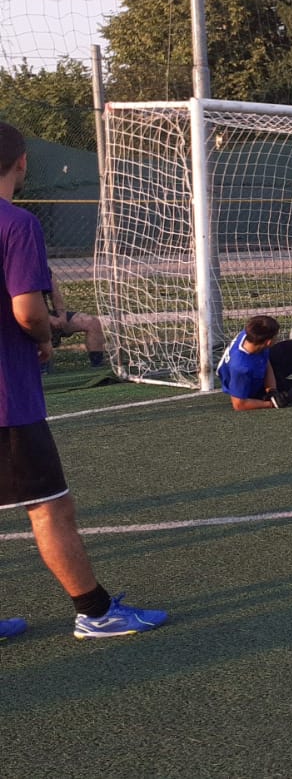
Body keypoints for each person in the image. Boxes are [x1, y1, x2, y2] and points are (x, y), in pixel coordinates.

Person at [0, 121, 167, 640]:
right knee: (51, 507)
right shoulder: (16, 223)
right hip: (6, 399)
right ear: (22, 162)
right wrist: (47, 333)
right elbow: (28, 312)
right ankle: (96, 613)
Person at [46, 268, 107, 369]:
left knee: (92, 323)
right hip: (31, 318)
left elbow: (56, 296)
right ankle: (43, 371)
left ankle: (98, 366)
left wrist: (62, 316)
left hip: (49, 315)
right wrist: (48, 318)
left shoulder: (44, 269)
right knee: (40, 330)